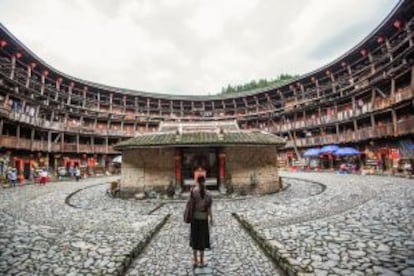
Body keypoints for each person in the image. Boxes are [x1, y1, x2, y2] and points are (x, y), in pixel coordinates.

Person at [189, 176, 213, 268]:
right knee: (202, 238)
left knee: (195, 237)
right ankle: (202, 261)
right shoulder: (208, 193)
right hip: (203, 218)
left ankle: (195, 260)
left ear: (197, 182)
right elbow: (209, 208)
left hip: (195, 218)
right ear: (204, 181)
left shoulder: (193, 192)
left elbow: (191, 206)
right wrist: (211, 219)